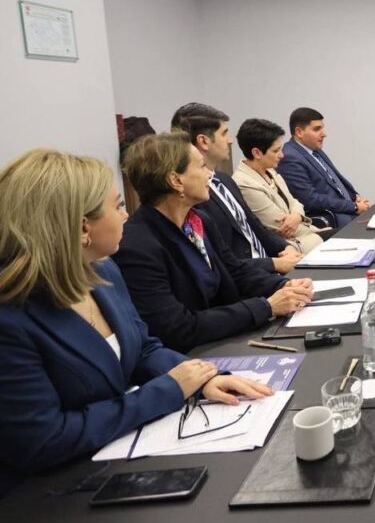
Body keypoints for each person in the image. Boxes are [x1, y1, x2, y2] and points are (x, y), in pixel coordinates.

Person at [0, 149, 270, 497]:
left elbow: (142, 348)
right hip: (45, 501)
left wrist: (203, 378)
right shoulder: (11, 318)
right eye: (118, 206)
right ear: (82, 227)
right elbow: (44, 440)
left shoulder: (103, 270)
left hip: (113, 458)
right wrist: (169, 390)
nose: (127, 215)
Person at [114, 132, 313, 353]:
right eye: (202, 167)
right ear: (176, 181)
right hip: (192, 356)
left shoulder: (199, 220)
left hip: (226, 338)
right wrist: (266, 307)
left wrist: (283, 286)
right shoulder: (137, 246)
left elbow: (235, 271)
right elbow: (177, 328)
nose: (210, 174)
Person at [170, 103, 301, 274]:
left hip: (268, 270)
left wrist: (286, 248)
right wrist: (274, 264)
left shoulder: (224, 180)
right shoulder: (194, 196)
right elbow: (223, 261)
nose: (230, 140)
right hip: (249, 278)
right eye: (224, 133)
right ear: (204, 141)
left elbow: (256, 227)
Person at [232, 118, 326, 254]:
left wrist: (297, 216)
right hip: (289, 246)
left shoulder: (270, 171)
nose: (281, 155)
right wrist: (320, 233)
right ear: (257, 153)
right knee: (343, 236)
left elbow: (295, 202)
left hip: (305, 235)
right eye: (276, 151)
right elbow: (282, 227)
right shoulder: (244, 183)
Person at [276, 107, 370, 229]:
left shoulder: (314, 150)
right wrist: (354, 207)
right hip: (332, 217)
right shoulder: (289, 157)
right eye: (316, 129)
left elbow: (335, 181)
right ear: (299, 132)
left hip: (345, 210)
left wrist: (355, 197)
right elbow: (310, 199)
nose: (324, 134)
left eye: (322, 128)